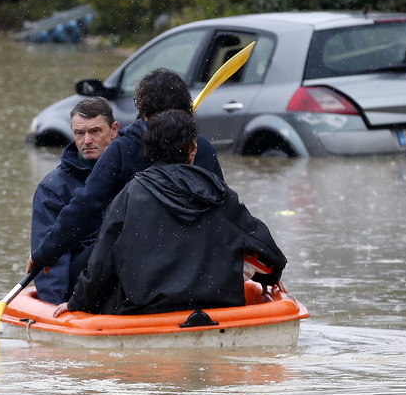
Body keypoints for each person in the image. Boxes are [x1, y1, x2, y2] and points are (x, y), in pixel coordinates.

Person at [52, 109, 286, 316]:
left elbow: (100, 263)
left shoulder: (130, 194)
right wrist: (270, 277)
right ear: (192, 148)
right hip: (216, 306)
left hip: (145, 310)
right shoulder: (220, 193)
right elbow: (269, 252)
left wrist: (79, 303)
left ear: (149, 150)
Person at [27, 68, 224, 285]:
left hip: (136, 262)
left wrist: (45, 253)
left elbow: (86, 207)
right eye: (80, 133)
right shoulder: (203, 147)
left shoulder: (123, 149)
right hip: (195, 259)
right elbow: (222, 208)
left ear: (142, 108)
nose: (87, 140)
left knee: (78, 268)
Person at [30, 97, 119, 304]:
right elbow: (51, 262)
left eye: (95, 131)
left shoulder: (131, 171)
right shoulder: (52, 188)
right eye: (80, 133)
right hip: (81, 283)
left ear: (114, 130)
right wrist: (59, 304)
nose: (86, 140)